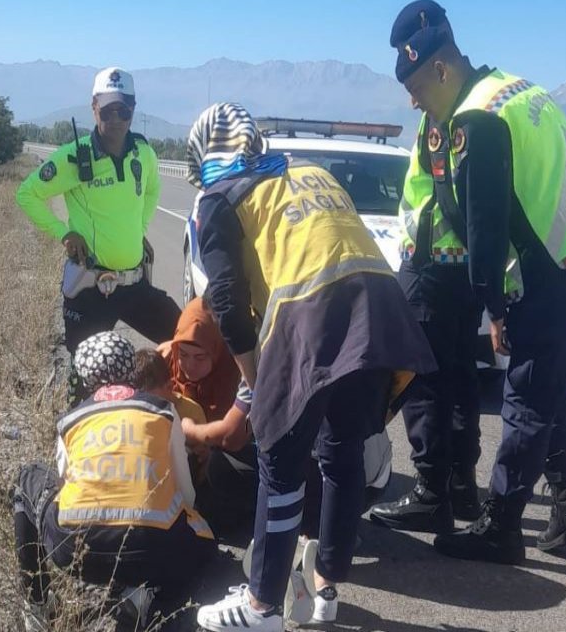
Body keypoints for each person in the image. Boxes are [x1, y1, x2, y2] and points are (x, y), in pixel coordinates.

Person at [389, 0, 566, 565]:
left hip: (560, 257)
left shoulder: (476, 120)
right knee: (545, 378)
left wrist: (493, 310)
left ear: (442, 69)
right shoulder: (509, 87)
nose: (412, 100)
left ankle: (501, 526)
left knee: (525, 387)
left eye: (417, 85)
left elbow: (485, 229)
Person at [185, 103, 435, 631]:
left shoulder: (218, 198)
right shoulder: (306, 171)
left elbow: (226, 300)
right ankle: (324, 590)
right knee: (342, 452)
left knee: (279, 460)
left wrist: (256, 381)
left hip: (309, 314)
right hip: (379, 308)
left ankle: (262, 607)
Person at [10, 332, 214, 630]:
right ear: (131, 367)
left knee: (27, 477)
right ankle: (147, 596)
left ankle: (37, 604)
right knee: (201, 544)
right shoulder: (161, 411)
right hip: (153, 549)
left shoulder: (71, 420)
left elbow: (69, 484)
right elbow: (186, 493)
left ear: (86, 378)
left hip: (74, 548)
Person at [367, 110, 489, 535]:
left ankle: (431, 493)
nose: (412, 99)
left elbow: (437, 192)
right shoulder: (478, 116)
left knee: (423, 380)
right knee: (459, 377)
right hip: (466, 267)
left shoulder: (443, 115)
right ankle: (461, 486)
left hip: (429, 262)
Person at [14, 67, 181, 352]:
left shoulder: (144, 153)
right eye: (106, 111)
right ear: (94, 109)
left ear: (133, 108)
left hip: (135, 285)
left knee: (187, 344)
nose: (115, 119)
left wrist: (138, 229)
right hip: (90, 290)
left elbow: (152, 189)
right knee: (84, 382)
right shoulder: (73, 158)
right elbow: (27, 194)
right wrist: (64, 234)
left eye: (123, 111)